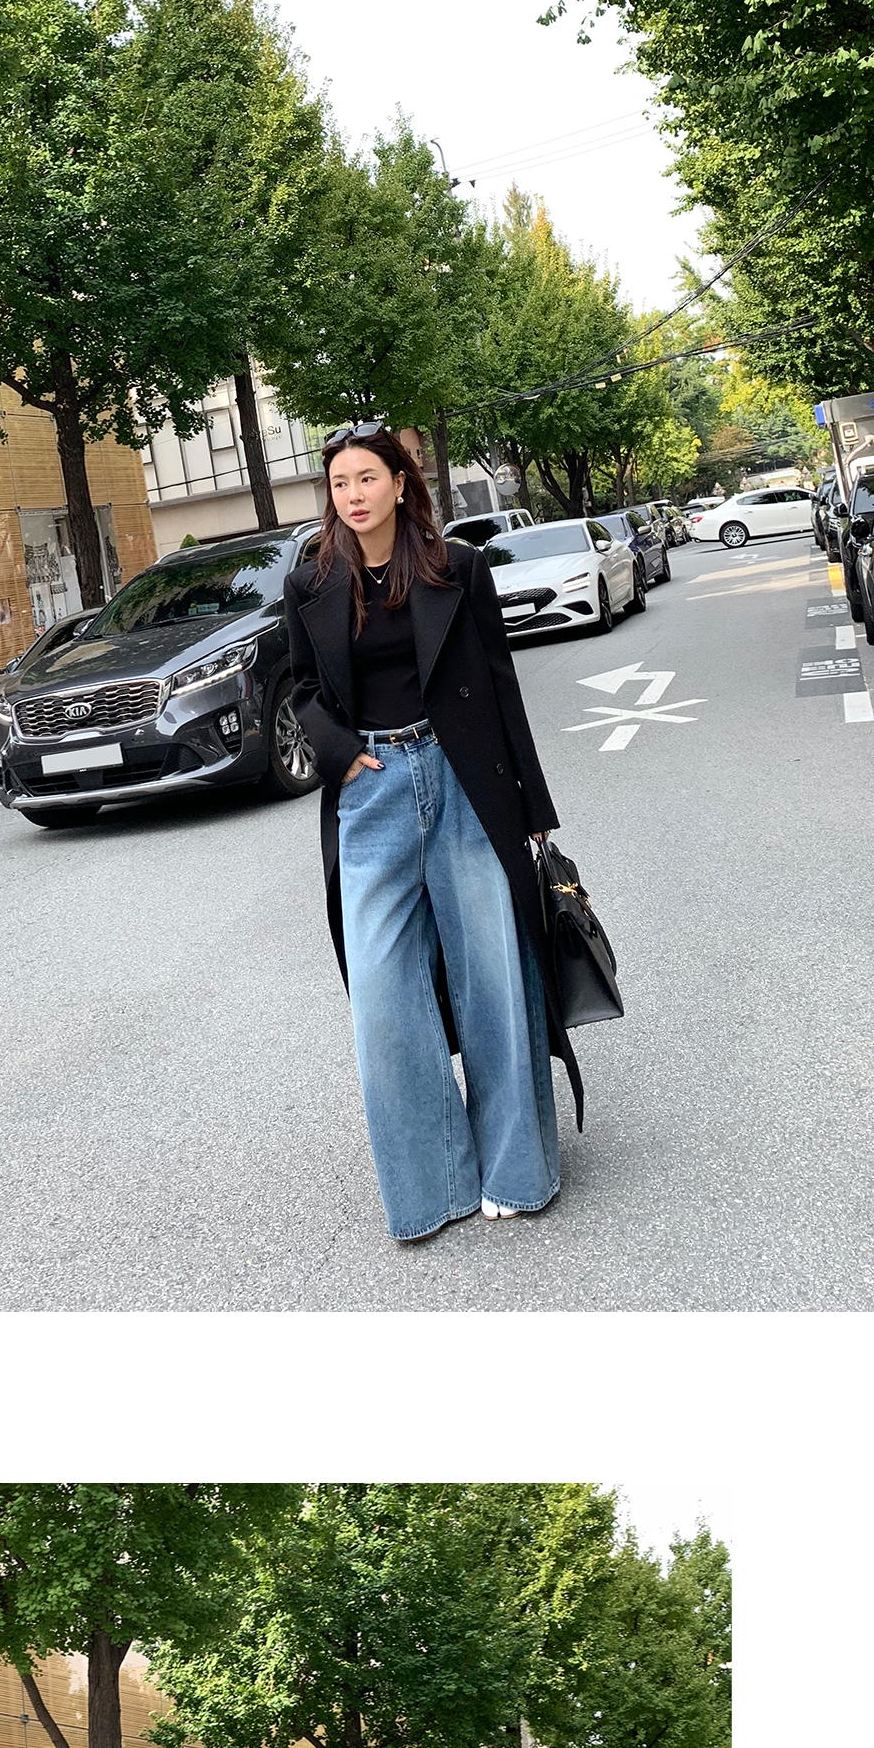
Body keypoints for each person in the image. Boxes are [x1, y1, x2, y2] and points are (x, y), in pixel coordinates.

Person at [284, 422, 583, 1246]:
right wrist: (340, 755)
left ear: (399, 483)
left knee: (494, 981)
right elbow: (302, 687)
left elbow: (499, 683)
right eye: (340, 482)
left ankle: (517, 1172)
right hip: (371, 792)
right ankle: (432, 1185)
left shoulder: (457, 567)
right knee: (384, 1002)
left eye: (367, 478)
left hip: (462, 781)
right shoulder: (311, 581)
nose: (354, 494)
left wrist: (533, 806)